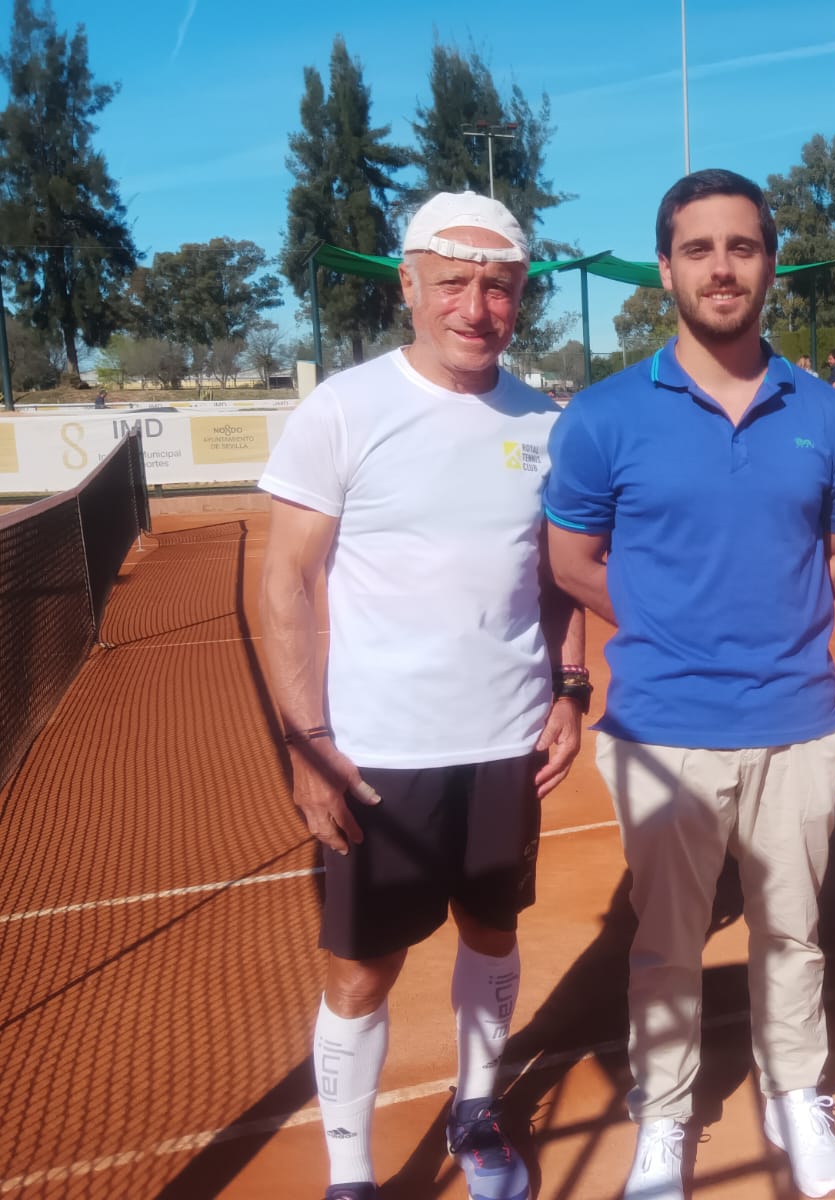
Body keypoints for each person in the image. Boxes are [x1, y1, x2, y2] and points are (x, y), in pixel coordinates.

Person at [542, 168, 835, 1200]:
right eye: (700, 249)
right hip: (660, 729)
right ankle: (665, 1114)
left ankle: (795, 1094)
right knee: (668, 942)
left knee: (792, 932)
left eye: (742, 247)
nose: (722, 267)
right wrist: (666, 624)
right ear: (667, 269)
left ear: (769, 264)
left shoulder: (825, 412)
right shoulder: (602, 417)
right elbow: (569, 558)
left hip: (798, 725)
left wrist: (773, 610)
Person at [258, 191, 589, 1200]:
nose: (475, 306)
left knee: (493, 935)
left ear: (519, 294)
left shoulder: (545, 420)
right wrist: (308, 742)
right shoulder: (345, 410)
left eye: (497, 285)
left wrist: (571, 685)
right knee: (361, 969)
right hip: (375, 752)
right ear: (408, 284)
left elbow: (558, 574)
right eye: (453, 282)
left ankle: (475, 1109)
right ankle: (350, 1170)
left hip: (504, 743)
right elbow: (285, 579)